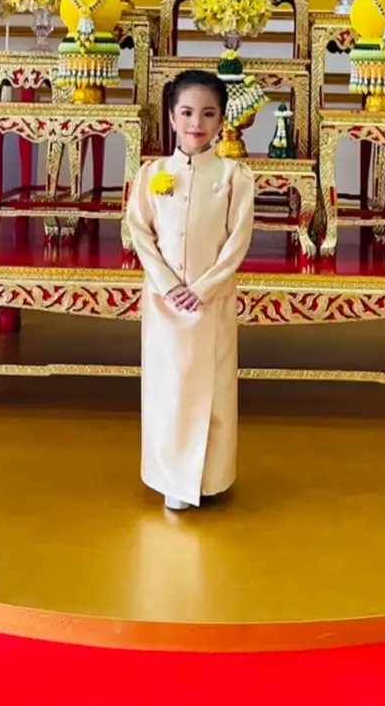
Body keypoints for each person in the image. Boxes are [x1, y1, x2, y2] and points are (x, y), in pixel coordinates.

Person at [125, 69, 256, 511]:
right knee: (168, 387)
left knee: (212, 389)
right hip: (164, 304)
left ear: (221, 119)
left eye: (208, 113)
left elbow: (237, 241)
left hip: (211, 302)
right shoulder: (153, 174)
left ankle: (210, 476)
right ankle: (170, 477)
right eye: (186, 112)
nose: (196, 122)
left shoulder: (235, 176)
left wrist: (203, 288)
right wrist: (167, 285)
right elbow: (140, 233)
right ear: (171, 116)